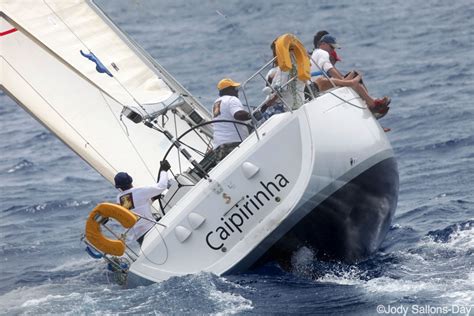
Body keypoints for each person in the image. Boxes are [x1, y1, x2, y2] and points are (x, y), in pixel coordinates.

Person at [310, 34, 390, 115]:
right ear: (323, 44)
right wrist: (342, 80)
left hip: (317, 85)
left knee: (354, 77)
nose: (333, 50)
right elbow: (329, 69)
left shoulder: (315, 54)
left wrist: (342, 79)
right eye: (331, 47)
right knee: (355, 76)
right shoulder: (322, 52)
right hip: (320, 86)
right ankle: (372, 104)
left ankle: (372, 102)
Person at [114, 160, 171, 246]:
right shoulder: (139, 191)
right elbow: (162, 186)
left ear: (118, 186)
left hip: (140, 238)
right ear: (130, 180)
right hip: (152, 231)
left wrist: (152, 199)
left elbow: (135, 209)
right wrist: (164, 170)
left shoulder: (119, 199)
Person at [212, 78, 251, 162]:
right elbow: (238, 115)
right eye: (234, 89)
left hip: (218, 147)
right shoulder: (232, 99)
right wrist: (251, 115)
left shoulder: (216, 103)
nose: (237, 91)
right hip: (233, 144)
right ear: (228, 90)